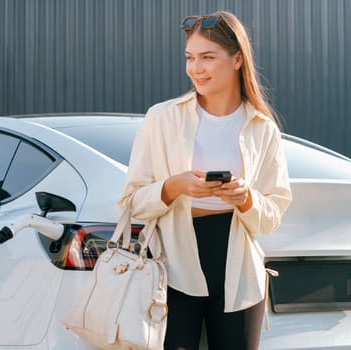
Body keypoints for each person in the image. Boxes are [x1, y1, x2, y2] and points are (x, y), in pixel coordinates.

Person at [118, 10, 292, 350]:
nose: (196, 69)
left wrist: (245, 198)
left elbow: (273, 216)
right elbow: (131, 202)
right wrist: (173, 187)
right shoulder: (162, 118)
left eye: (207, 58)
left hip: (239, 274)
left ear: (237, 59)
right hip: (172, 269)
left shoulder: (263, 128)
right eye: (190, 58)